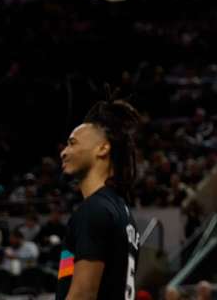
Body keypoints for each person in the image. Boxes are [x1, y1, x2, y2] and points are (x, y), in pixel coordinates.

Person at [56, 99, 141, 300]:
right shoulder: (122, 213)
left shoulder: (94, 210)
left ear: (102, 148)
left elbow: (83, 294)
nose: (63, 152)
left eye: (72, 143)